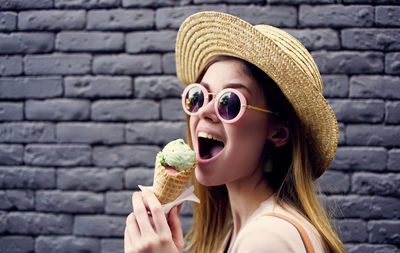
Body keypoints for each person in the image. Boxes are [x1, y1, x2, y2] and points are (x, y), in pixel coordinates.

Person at [124, 11, 346, 253]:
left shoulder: (267, 239)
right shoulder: (233, 234)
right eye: (198, 96)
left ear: (279, 133)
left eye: (229, 102)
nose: (205, 111)